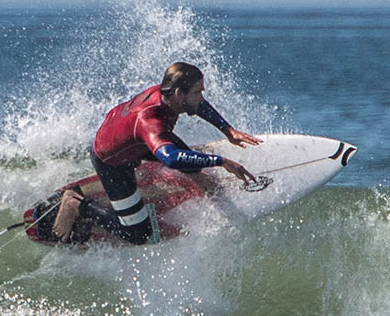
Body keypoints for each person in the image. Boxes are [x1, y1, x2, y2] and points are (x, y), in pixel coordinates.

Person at [52, 62, 262, 244]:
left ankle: (209, 190)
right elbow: (170, 158)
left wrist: (228, 130)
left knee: (193, 164)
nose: (201, 97)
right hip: (111, 161)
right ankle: (77, 205)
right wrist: (220, 161)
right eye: (198, 92)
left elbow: (198, 106)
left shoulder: (166, 94)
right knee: (138, 234)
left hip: (131, 139)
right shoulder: (150, 122)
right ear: (179, 94)